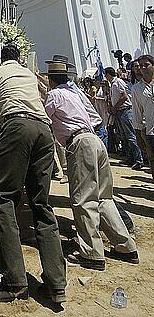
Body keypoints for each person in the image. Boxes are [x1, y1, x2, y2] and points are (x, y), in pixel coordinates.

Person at [0, 46, 66, 305]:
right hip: (43, 130)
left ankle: (15, 282)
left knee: (3, 199)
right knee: (41, 204)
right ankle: (56, 284)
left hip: (15, 127)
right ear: (18, 58)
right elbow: (45, 94)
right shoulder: (29, 74)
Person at [44, 60, 138, 271]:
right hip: (94, 141)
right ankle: (125, 246)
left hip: (79, 143)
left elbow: (44, 118)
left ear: (50, 80)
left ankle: (92, 252)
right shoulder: (74, 94)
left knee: (83, 199)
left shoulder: (54, 95)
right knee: (104, 197)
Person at [105, 67, 143, 169]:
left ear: (108, 74)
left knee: (130, 136)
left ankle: (138, 159)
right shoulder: (112, 84)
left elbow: (124, 96)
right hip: (119, 112)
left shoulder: (118, 82)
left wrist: (115, 107)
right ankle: (130, 158)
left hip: (124, 110)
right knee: (124, 137)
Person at [132, 55, 154, 180]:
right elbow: (137, 113)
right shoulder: (137, 89)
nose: (143, 68)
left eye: (146, 65)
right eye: (141, 66)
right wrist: (138, 137)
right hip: (150, 131)